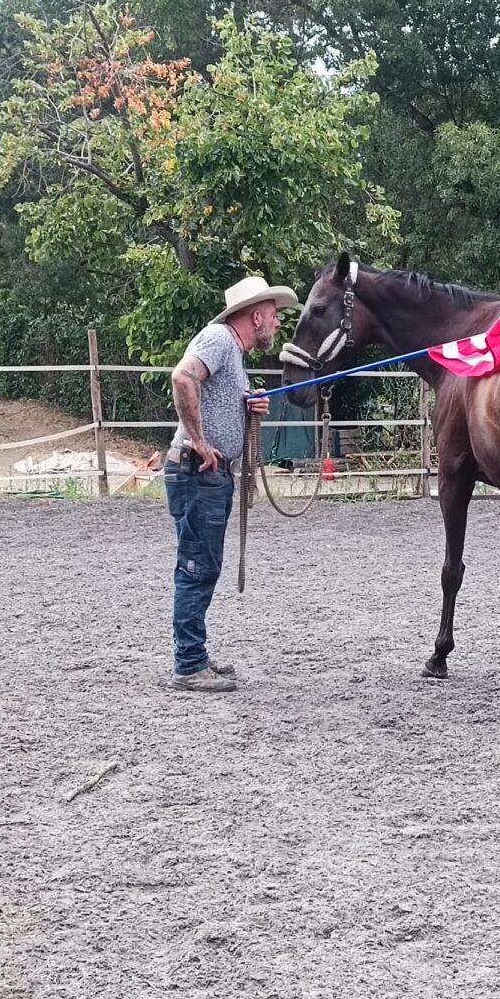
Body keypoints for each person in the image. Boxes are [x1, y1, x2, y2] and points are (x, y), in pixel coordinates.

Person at [164, 275, 299, 692]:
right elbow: (183, 378)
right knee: (197, 567)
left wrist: (248, 405)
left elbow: (213, 397)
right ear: (255, 316)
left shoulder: (232, 353)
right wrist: (200, 442)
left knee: (202, 565)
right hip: (198, 471)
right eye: (274, 316)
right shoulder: (220, 339)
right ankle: (188, 665)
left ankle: (195, 654)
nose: (277, 324)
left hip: (204, 474)